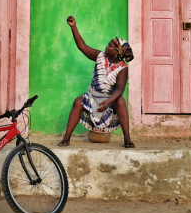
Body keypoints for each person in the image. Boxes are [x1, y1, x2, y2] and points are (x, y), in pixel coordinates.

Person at [58, 16, 135, 148]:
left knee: (121, 101)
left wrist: (109, 102)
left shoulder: (123, 68)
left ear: (117, 52)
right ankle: (66, 137)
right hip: (93, 96)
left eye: (110, 46)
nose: (106, 46)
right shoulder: (100, 56)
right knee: (78, 102)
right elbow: (82, 46)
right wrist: (73, 27)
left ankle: (127, 139)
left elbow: (119, 90)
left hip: (111, 100)